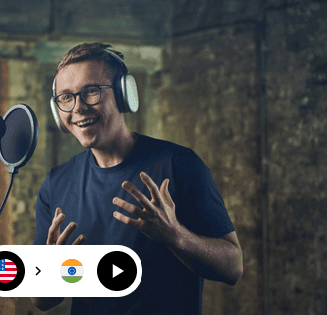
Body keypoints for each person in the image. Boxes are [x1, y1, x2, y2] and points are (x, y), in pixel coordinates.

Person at [31, 43, 243, 315]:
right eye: (66, 97)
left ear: (123, 94)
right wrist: (52, 272)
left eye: (91, 92)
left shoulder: (179, 164)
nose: (78, 108)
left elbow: (233, 268)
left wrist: (175, 236)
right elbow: (41, 301)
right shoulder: (55, 183)